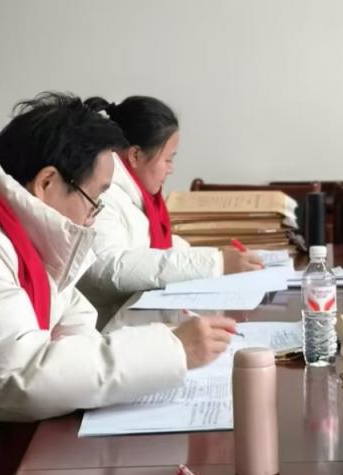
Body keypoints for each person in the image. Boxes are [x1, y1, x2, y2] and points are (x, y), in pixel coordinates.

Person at [0, 92, 237, 475]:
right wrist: (171, 350)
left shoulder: (8, 217)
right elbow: (17, 376)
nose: (94, 217)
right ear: (47, 182)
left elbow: (69, 308)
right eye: (94, 198)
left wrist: (82, 370)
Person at [79, 95, 262, 319]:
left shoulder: (139, 197)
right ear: (135, 155)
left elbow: (157, 249)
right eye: (168, 159)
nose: (171, 169)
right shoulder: (103, 195)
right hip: (108, 326)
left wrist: (219, 257)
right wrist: (217, 263)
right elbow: (109, 268)